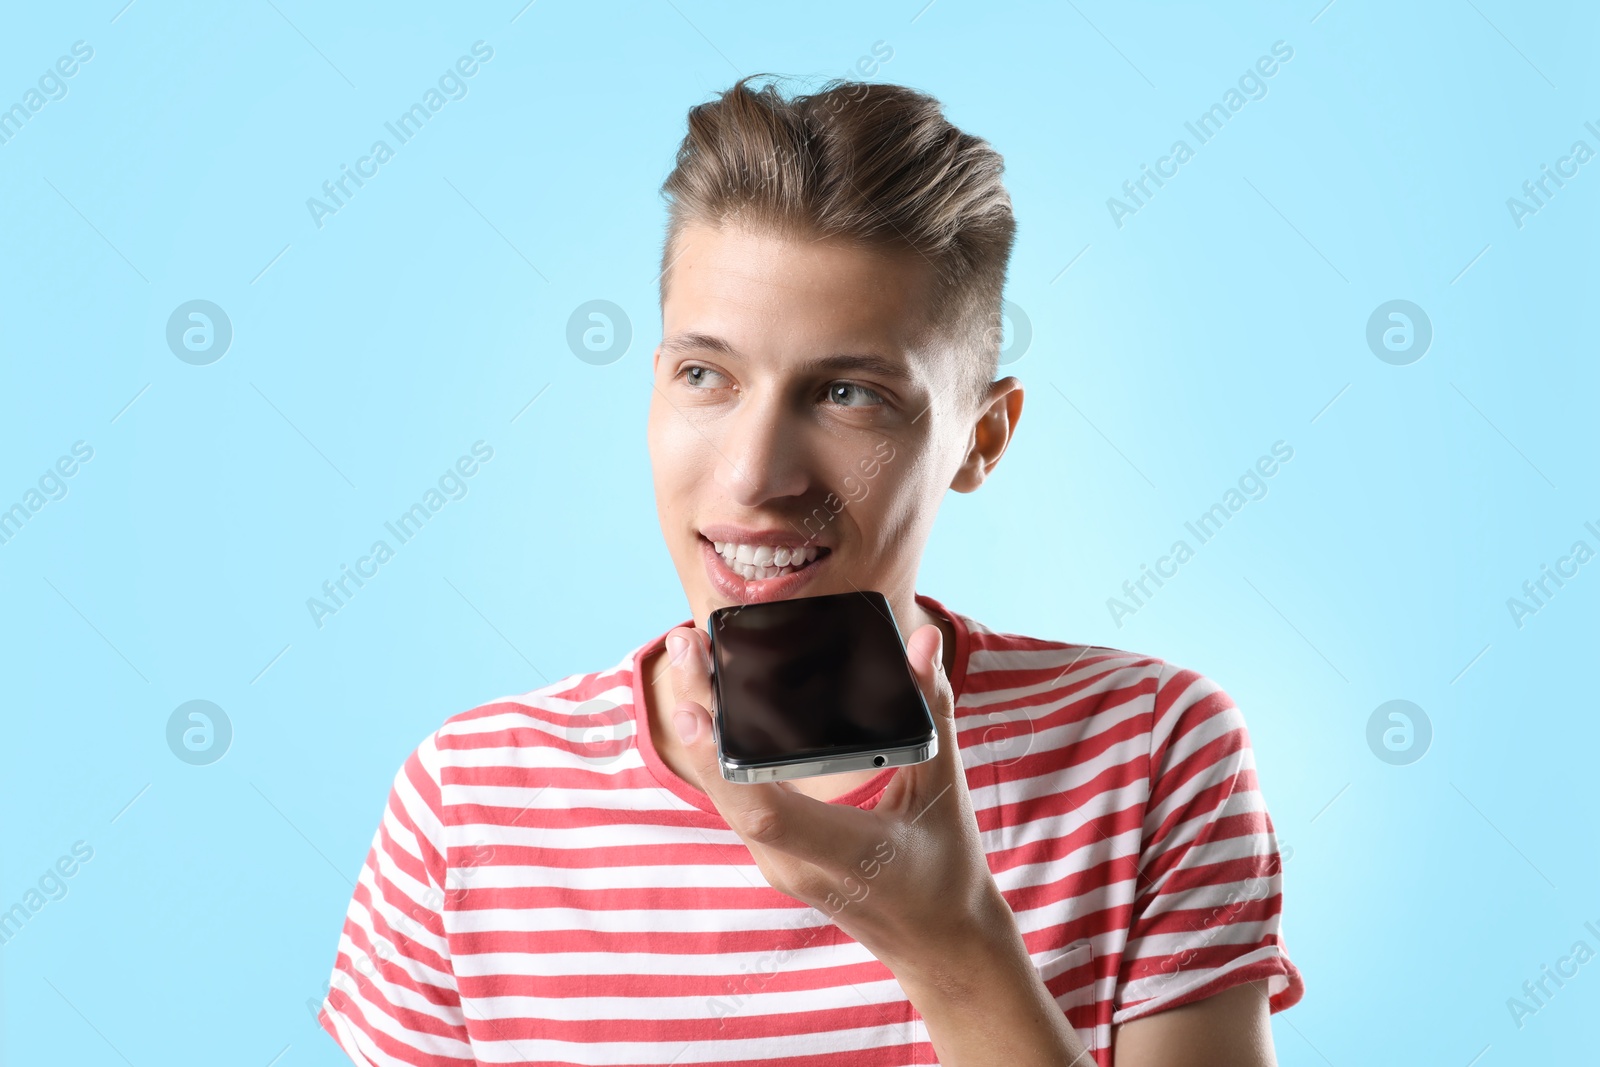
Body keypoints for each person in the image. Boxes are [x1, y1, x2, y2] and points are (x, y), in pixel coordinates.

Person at [316, 74, 1304, 1066]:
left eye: (847, 393)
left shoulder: (1149, 751)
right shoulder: (470, 800)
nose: (754, 475)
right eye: (705, 374)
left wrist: (954, 948)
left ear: (981, 438)